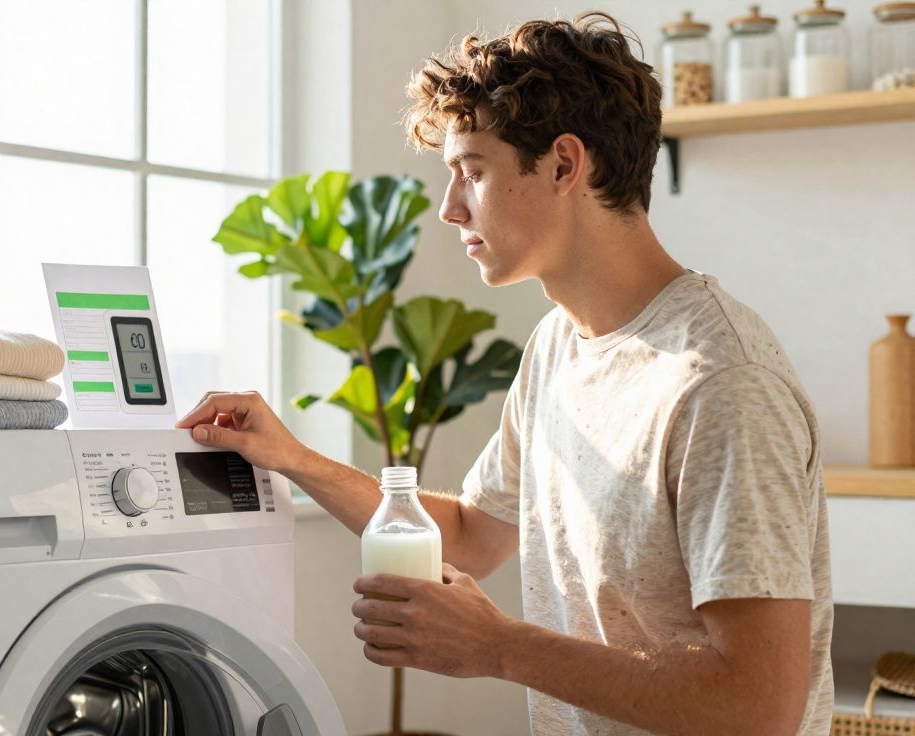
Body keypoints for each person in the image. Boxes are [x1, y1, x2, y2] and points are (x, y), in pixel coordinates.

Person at [176, 11, 832, 736]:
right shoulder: (559, 347)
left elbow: (758, 706)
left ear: (563, 165)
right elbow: (467, 537)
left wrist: (498, 646)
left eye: (473, 172)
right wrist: (291, 458)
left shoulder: (722, 383)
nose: (449, 207)